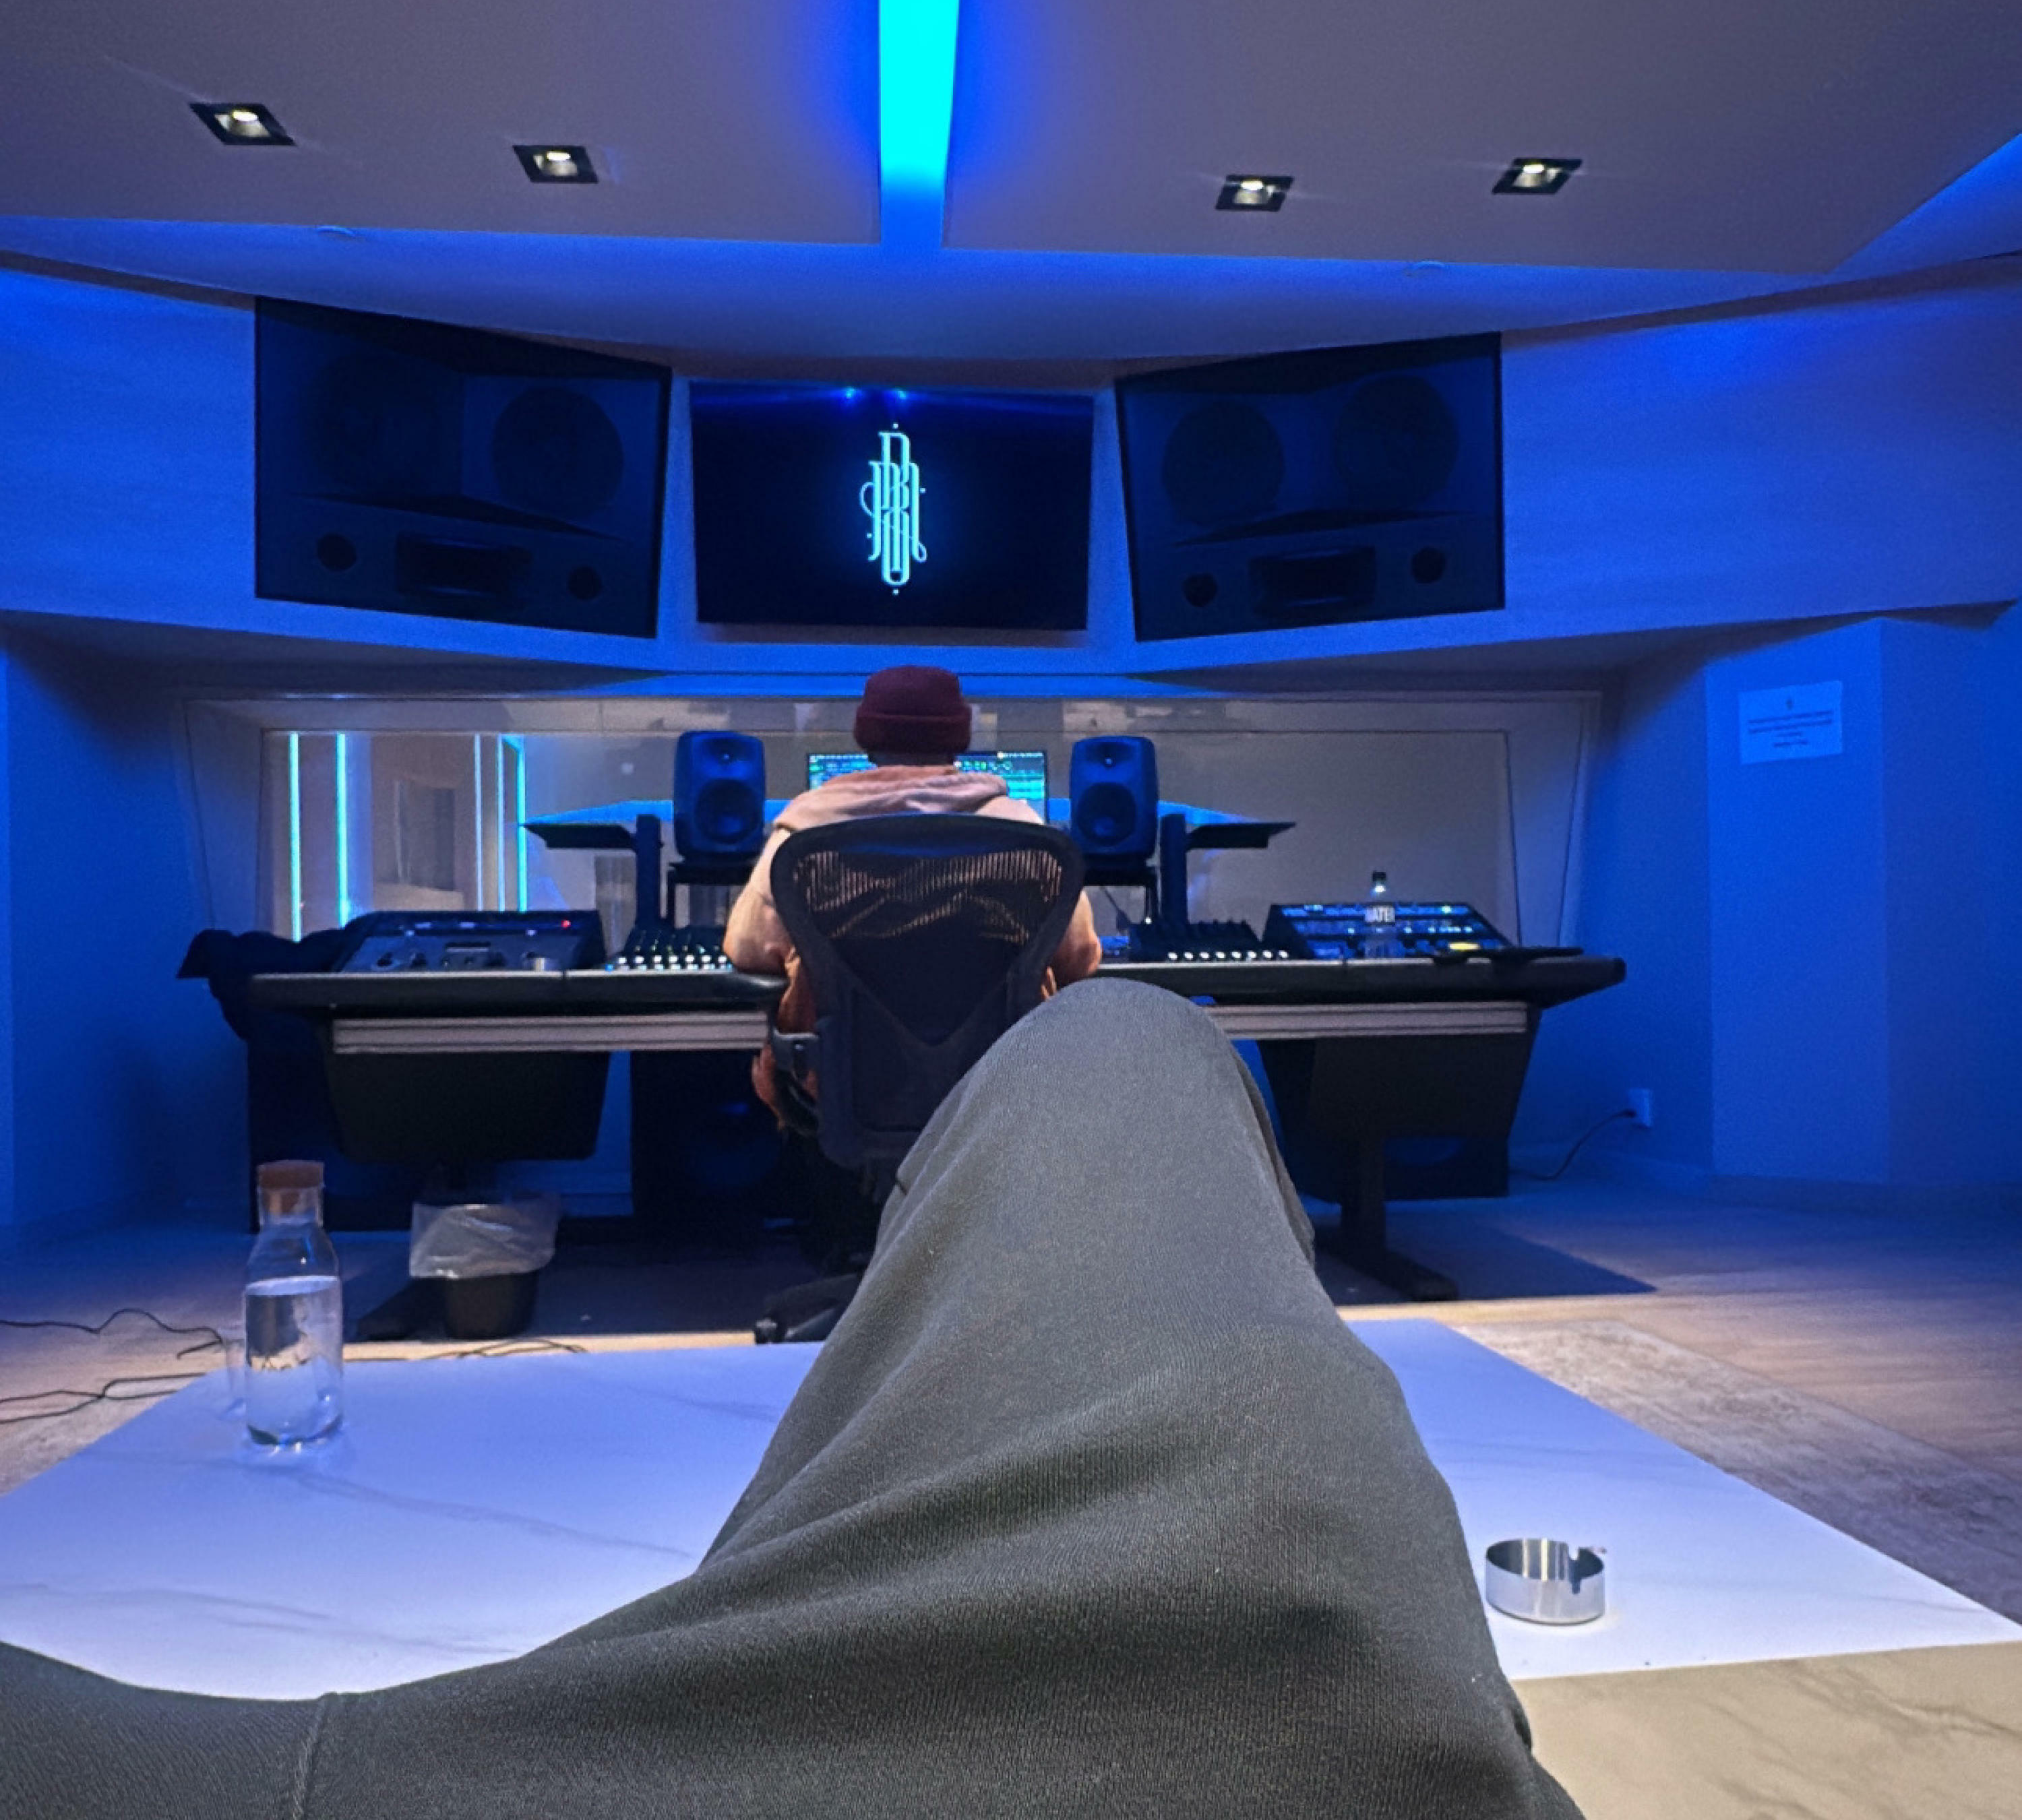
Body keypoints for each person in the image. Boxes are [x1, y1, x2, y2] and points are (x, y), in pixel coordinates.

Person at [0, 980, 1579, 1819]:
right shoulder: (1032, 848)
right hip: (1350, 1704)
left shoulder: (806, 829)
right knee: (1129, 1031)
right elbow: (1088, 967)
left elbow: (763, 963)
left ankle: (852, 1465)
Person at [725, 664, 1102, 1127]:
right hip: (999, 1093)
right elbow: (1080, 957)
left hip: (844, 1093)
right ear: (959, 738)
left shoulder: (804, 833)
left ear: (866, 739)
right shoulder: (1024, 833)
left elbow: (746, 950)